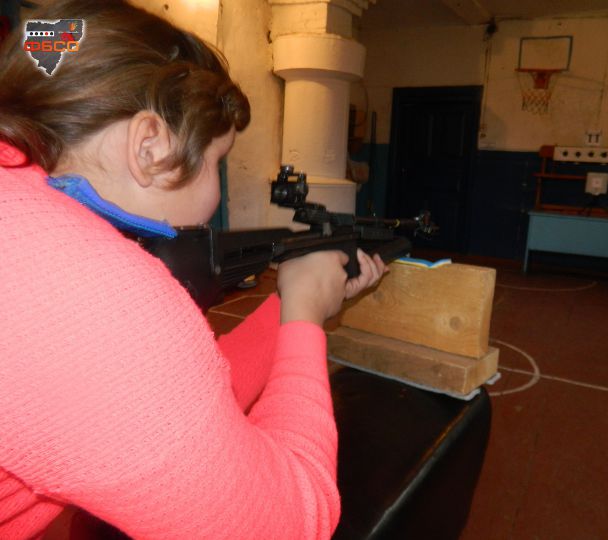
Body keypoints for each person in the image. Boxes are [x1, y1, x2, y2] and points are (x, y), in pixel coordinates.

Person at [0, 1, 386, 538]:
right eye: (217, 162)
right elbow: (289, 524)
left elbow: (181, 406)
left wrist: (293, 302)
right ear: (150, 147)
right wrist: (304, 321)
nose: (215, 194)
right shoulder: (86, 293)